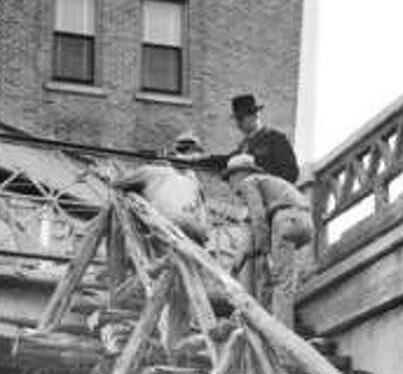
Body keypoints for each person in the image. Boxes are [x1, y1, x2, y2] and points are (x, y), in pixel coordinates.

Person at [225, 152, 314, 327]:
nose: (231, 184)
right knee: (282, 277)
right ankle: (270, 319)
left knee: (279, 280)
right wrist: (238, 263)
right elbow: (254, 233)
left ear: (239, 174)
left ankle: (281, 331)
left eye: (230, 178)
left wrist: (263, 249)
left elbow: (258, 218)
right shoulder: (270, 184)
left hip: (286, 220)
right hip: (305, 225)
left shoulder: (248, 182)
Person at [112, 131, 209, 242]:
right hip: (190, 227)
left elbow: (117, 184)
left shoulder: (150, 170)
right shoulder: (194, 180)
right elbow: (204, 221)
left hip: (164, 223)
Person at [230, 93, 299, 183]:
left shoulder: (275, 139)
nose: (238, 123)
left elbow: (291, 173)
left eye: (241, 118)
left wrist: (257, 165)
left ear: (255, 116)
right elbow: (225, 160)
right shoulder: (244, 146)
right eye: (237, 119)